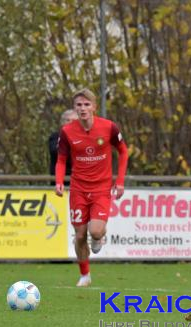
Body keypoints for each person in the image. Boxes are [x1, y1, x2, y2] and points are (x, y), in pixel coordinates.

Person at [55, 89, 128, 287]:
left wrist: (119, 181)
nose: (83, 108)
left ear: (94, 107)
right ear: (74, 108)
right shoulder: (67, 131)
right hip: (78, 188)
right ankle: (85, 275)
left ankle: (99, 237)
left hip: (101, 189)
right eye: (79, 105)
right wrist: (59, 181)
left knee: (95, 231)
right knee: (79, 235)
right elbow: (61, 159)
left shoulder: (109, 127)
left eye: (87, 104)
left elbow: (123, 152)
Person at [49, 109, 77, 185]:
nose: (71, 123)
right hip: (58, 183)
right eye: (68, 120)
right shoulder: (55, 136)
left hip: (79, 183)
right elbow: (54, 151)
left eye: (74, 120)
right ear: (62, 123)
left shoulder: (83, 138)